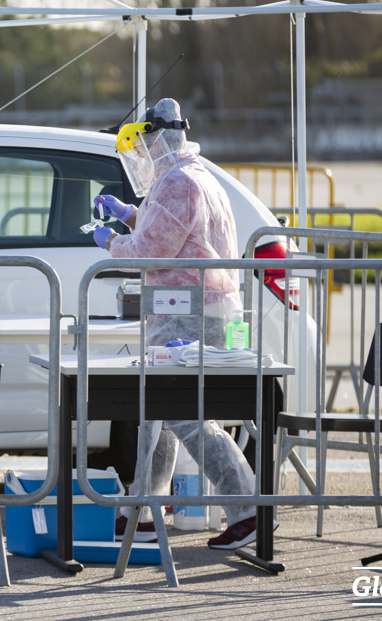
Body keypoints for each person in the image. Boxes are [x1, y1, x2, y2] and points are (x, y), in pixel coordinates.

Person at [92, 98, 262, 551]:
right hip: (195, 309)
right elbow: (171, 230)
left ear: (155, 142)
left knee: (185, 417)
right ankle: (144, 510)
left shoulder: (179, 182)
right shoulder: (193, 176)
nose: (139, 160)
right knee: (159, 414)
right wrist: (128, 213)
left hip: (188, 311)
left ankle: (248, 509)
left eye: (141, 149)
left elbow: (150, 250)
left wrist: (112, 241)